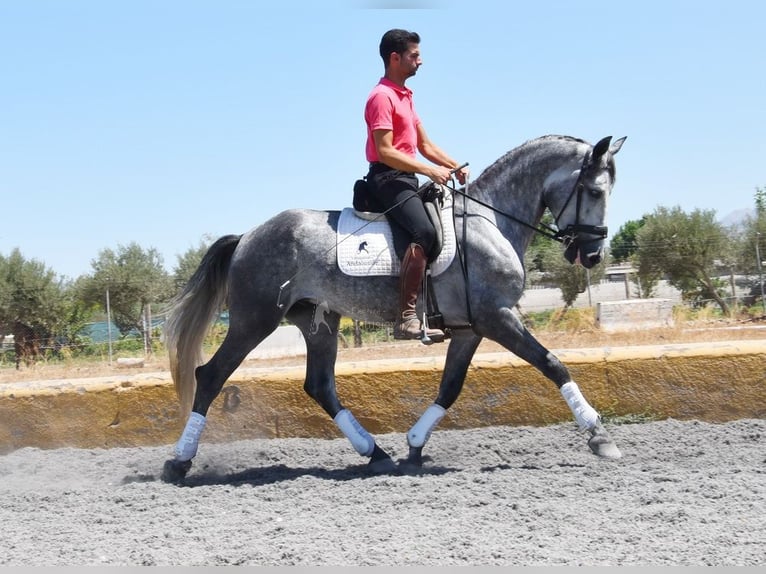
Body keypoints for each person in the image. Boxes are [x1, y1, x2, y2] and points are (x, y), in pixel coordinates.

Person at [364, 28, 469, 342]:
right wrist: (429, 171)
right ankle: (407, 317)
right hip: (387, 178)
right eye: (414, 55)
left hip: (406, 176)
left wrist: (453, 165)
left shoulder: (405, 97)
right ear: (395, 58)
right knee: (424, 232)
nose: (420, 61)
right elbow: (385, 151)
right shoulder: (381, 97)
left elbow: (425, 145)